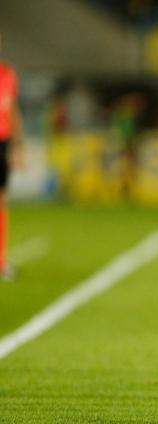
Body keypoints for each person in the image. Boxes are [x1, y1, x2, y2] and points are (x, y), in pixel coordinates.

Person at [0, 33, 23, 281]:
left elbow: (13, 111)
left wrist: (17, 146)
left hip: (2, 142)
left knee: (1, 203)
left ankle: (0, 260)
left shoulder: (7, 74)